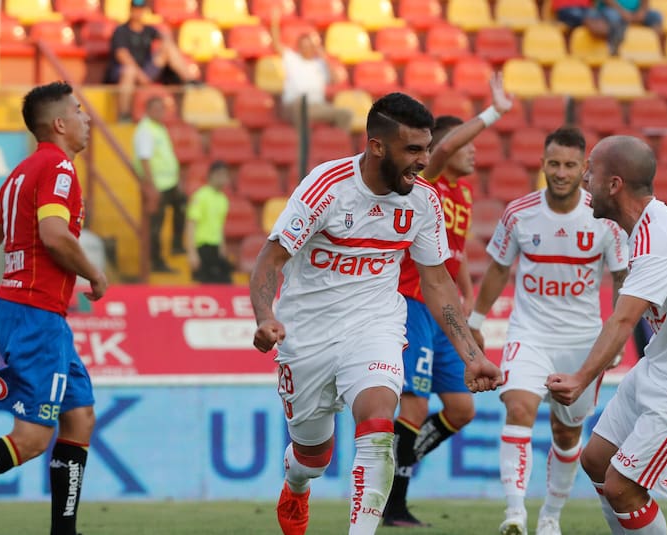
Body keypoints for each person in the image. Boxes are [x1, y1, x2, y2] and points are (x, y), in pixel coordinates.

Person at [250, 92, 503, 535]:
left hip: (375, 325)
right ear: (377, 146)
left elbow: (438, 281)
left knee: (379, 421)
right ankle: (296, 485)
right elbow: (270, 262)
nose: (424, 161)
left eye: (427, 149)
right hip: (307, 334)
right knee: (313, 457)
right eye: (413, 150)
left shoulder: (423, 202)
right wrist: (265, 316)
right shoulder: (326, 187)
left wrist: (470, 354)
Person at [546, 136, 667, 535]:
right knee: (597, 460)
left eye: (591, 172)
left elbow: (622, 321)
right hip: (664, 363)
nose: (584, 180)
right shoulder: (643, 227)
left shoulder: (658, 238)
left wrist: (580, 378)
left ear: (614, 184)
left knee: (623, 487)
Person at [0, 81, 108, 535]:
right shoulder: (59, 169)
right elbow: (55, 235)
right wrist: (94, 274)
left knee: (79, 416)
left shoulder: (18, 177)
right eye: (80, 111)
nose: (88, 119)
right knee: (31, 439)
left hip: (33, 314)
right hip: (35, 315)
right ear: (60, 124)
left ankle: (63, 531)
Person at [468, 127, 629, 535]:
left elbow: (624, 278)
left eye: (570, 165)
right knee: (518, 408)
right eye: (553, 163)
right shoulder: (519, 213)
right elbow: (499, 268)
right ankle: (515, 513)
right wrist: (475, 321)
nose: (560, 172)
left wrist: (617, 338)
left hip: (582, 342)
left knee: (566, 431)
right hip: (530, 333)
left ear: (584, 169)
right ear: (542, 164)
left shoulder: (603, 218)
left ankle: (551, 517)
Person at [382, 74, 514, 528]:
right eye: (466, 144)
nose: (475, 151)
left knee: (461, 409)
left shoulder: (463, 194)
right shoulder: (430, 183)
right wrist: (493, 113)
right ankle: (393, 503)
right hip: (414, 305)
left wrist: (472, 309)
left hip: (445, 313)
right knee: (414, 406)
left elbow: (452, 257)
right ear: (445, 147)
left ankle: (394, 471)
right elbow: (437, 151)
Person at [104, 0, 200, 122]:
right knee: (129, 71)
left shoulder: (149, 30)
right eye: (135, 9)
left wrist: (165, 36)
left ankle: (189, 80)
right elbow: (122, 56)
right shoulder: (121, 31)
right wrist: (141, 76)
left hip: (145, 72)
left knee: (168, 47)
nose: (138, 13)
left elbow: (165, 38)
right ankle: (124, 114)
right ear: (131, 10)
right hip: (123, 74)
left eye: (141, 9)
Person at [270, 7, 352, 132]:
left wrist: (323, 55)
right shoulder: (292, 59)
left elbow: (336, 78)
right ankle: (303, 146)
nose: (306, 49)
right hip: (294, 104)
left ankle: (338, 146)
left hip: (316, 106)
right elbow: (276, 44)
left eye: (310, 46)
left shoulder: (320, 64)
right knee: (300, 107)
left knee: (346, 114)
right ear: (299, 47)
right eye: (304, 46)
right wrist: (274, 22)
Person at [133, 95, 188, 273]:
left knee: (182, 206)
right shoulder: (146, 130)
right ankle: (156, 262)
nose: (159, 112)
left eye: (161, 109)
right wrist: (151, 186)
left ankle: (177, 243)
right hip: (157, 185)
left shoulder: (159, 128)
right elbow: (145, 159)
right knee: (156, 225)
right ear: (148, 110)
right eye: (156, 108)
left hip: (169, 182)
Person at [185, 160, 233, 283]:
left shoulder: (223, 199)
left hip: (215, 247)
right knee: (206, 284)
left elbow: (219, 226)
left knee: (226, 281)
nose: (223, 179)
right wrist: (192, 252)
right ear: (212, 175)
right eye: (220, 175)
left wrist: (222, 247)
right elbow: (191, 224)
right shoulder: (201, 196)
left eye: (225, 175)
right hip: (202, 247)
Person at [585, 0, 663, 54]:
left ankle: (656, 50)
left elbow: (645, 4)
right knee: (614, 18)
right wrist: (623, 12)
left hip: (634, 11)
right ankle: (614, 49)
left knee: (656, 16)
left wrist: (642, 11)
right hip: (612, 9)